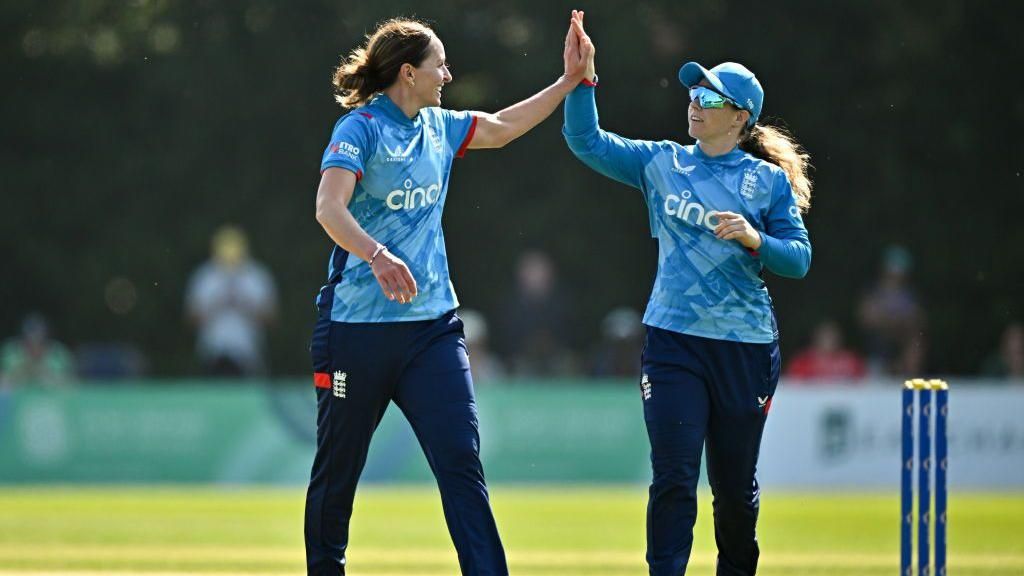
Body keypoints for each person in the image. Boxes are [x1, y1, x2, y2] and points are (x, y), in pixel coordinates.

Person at [306, 15, 592, 575]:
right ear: (409, 74)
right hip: (355, 333)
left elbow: (503, 126)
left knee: (462, 463)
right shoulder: (359, 130)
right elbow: (328, 208)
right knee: (338, 471)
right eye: (440, 64)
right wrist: (378, 255)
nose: (448, 73)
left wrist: (567, 82)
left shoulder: (440, 127)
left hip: (431, 332)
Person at [563, 12, 812, 575]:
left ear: (740, 117)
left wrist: (755, 239)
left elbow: (799, 260)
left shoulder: (765, 181)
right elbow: (584, 140)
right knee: (674, 477)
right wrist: (584, 79)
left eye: (710, 97)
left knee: (733, 489)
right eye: (694, 92)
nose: (695, 102)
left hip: (744, 348)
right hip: (674, 341)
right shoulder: (662, 162)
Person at [184, 225, 277, 377]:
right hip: (211, 354)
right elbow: (191, 319)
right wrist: (218, 304)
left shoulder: (257, 276)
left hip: (249, 356)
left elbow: (271, 318)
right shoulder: (205, 277)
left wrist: (244, 305)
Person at [857, 245, 926, 376]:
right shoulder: (873, 291)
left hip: (902, 343)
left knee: (917, 341)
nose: (896, 274)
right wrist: (895, 322)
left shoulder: (909, 295)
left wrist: (889, 320)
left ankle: (907, 372)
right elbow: (866, 318)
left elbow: (919, 321)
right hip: (876, 345)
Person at [0, 313, 75, 388]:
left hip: (52, 396)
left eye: (38, 331)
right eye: (30, 331)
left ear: (46, 333)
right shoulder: (11, 350)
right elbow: (4, 377)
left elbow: (71, 379)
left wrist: (44, 373)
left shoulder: (58, 352)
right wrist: (27, 370)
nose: (34, 336)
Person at [785, 320, 866, 382]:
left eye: (832, 336)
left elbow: (865, 383)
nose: (829, 340)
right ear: (816, 338)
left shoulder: (851, 360)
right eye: (825, 336)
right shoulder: (803, 361)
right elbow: (793, 385)